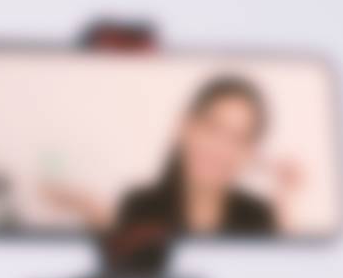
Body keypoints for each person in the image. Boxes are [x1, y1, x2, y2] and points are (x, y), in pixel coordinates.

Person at [41, 74, 302, 238]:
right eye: (212, 129)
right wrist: (90, 209)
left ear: (250, 153)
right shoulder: (140, 204)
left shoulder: (258, 216)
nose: (220, 149)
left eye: (237, 139)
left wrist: (285, 200)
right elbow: (128, 268)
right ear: (184, 128)